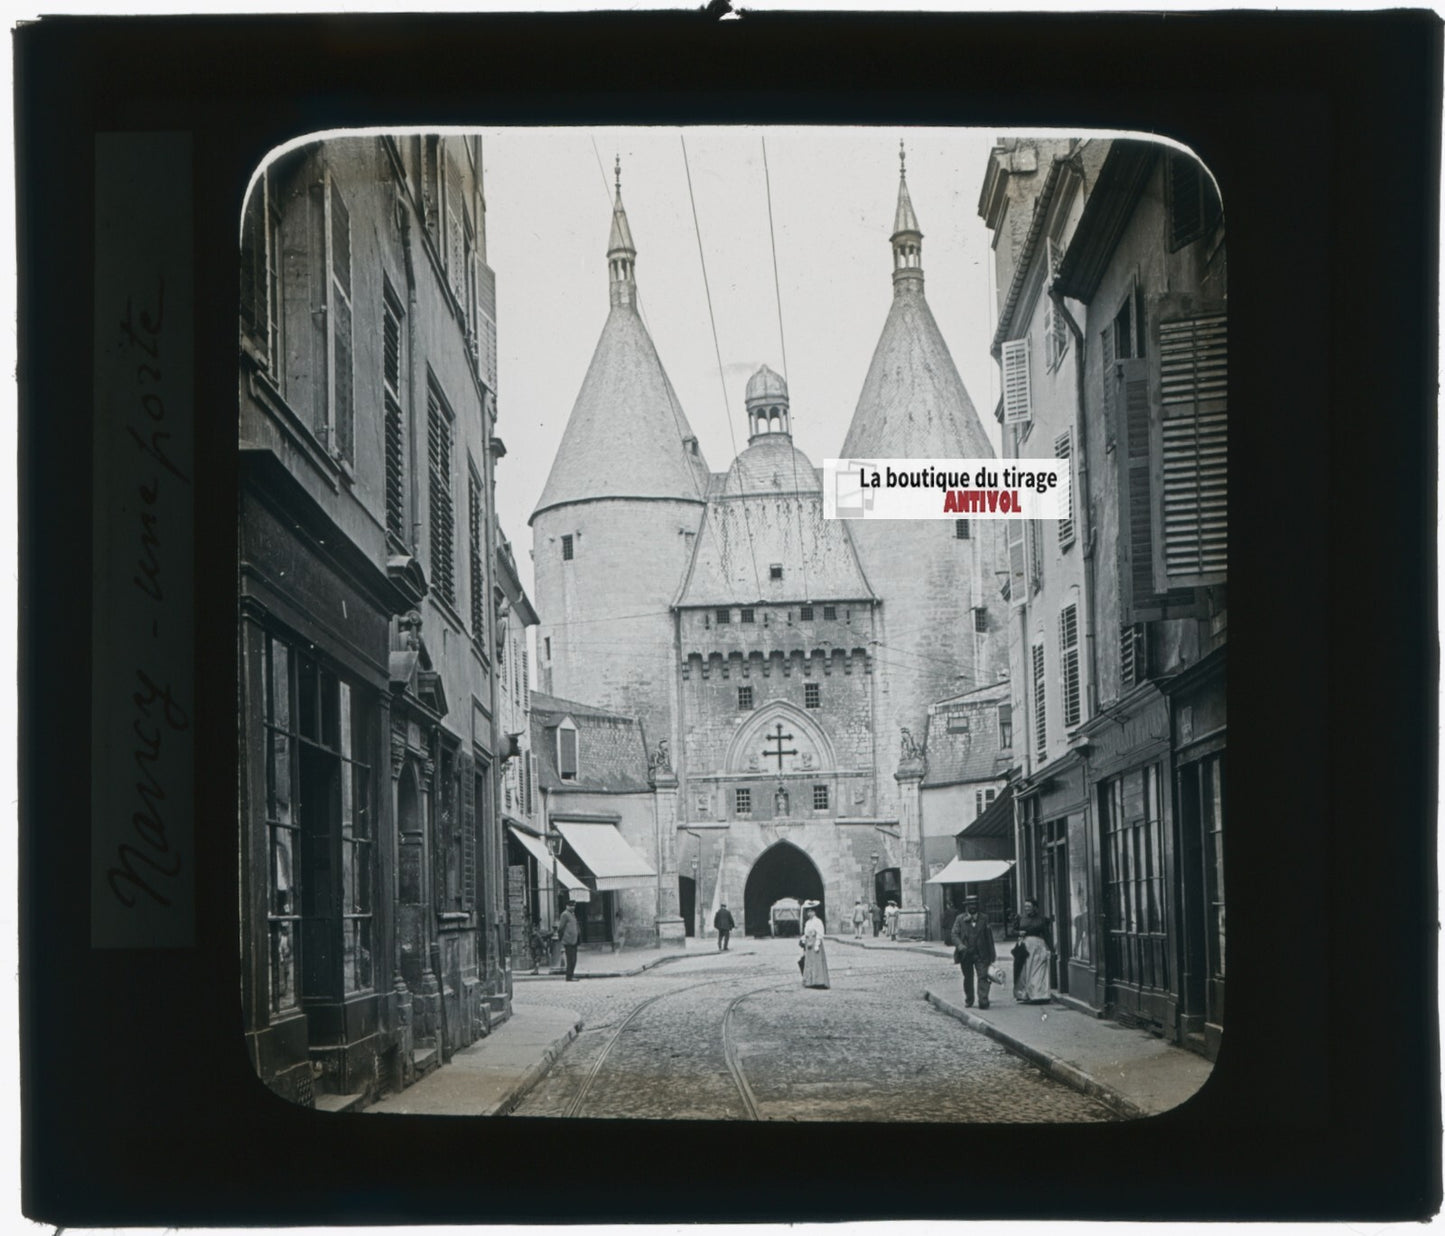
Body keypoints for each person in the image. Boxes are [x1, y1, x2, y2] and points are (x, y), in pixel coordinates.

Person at [951, 895, 996, 1009]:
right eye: (970, 905)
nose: (972, 907)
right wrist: (960, 945)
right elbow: (954, 934)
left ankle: (983, 1000)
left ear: (978, 905)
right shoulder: (960, 919)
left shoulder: (984, 918)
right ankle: (969, 999)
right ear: (966, 906)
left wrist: (992, 953)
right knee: (968, 978)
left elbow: (989, 937)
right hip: (966, 953)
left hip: (981, 953)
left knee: (983, 976)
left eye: (974, 905)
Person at [1015, 898, 1054, 1003]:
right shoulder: (1021, 918)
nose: (1027, 909)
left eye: (1029, 907)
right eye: (1025, 907)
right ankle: (1025, 994)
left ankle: (1038, 994)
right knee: (1025, 971)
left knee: (1037, 970)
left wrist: (1051, 948)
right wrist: (1019, 933)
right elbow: (1014, 930)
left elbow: (1047, 934)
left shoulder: (1042, 920)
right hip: (1025, 947)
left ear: (1035, 908)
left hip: (1038, 947)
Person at [801, 906, 830, 989]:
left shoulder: (818, 921)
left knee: (817, 962)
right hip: (809, 944)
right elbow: (806, 933)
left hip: (815, 943)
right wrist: (803, 939)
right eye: (808, 912)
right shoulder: (808, 922)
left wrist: (817, 943)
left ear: (814, 912)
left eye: (811, 911)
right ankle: (809, 981)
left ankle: (819, 981)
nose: (809, 913)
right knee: (809, 962)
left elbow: (820, 933)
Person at [557, 900, 580, 982]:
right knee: (571, 959)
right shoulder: (565, 914)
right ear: (567, 906)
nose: (573, 907)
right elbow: (561, 928)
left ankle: (571, 975)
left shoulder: (572, 914)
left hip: (574, 940)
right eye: (571, 906)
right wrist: (562, 938)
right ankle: (569, 976)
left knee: (574, 959)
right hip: (568, 940)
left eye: (574, 906)